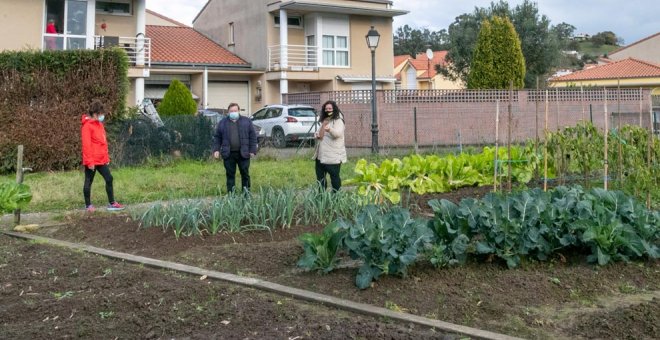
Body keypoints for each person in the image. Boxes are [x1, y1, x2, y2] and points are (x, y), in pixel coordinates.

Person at [81, 99, 124, 212]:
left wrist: (106, 158)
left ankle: (112, 203)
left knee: (109, 178)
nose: (102, 116)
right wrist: (89, 162)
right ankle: (88, 205)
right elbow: (86, 145)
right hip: (92, 161)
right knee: (89, 181)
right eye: (101, 114)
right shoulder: (87, 126)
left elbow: (103, 142)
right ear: (95, 114)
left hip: (101, 159)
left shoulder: (99, 125)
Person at [213, 103, 257, 193]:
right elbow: (217, 137)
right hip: (228, 154)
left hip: (243, 153)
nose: (233, 112)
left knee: (245, 174)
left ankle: (246, 194)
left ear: (239, 111)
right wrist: (216, 150)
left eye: (235, 111)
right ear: (228, 112)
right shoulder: (222, 123)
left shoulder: (246, 121)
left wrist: (252, 150)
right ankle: (231, 196)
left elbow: (253, 136)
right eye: (231, 111)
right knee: (230, 175)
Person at [313, 100, 347, 192]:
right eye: (326, 108)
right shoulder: (325, 120)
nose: (328, 110)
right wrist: (316, 134)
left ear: (334, 109)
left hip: (333, 156)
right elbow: (320, 133)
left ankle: (336, 198)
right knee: (320, 179)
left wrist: (330, 130)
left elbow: (338, 134)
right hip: (321, 156)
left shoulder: (338, 120)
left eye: (330, 108)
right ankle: (321, 199)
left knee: (334, 179)